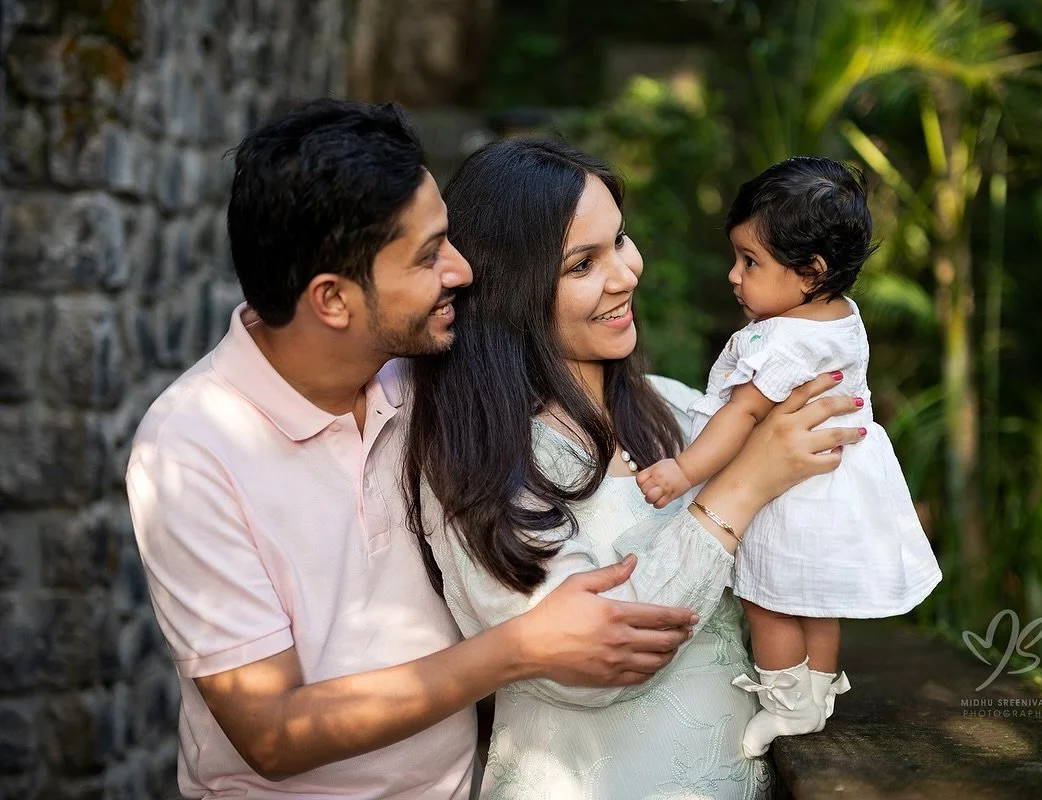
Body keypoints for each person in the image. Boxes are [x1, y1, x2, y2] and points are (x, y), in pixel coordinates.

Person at [124, 100, 862, 799]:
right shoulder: (193, 448)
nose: (463, 270)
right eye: (428, 256)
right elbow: (271, 731)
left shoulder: (428, 380)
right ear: (332, 300)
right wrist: (519, 647)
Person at [406, 139, 867, 799]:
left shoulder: (684, 414)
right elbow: (593, 658)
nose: (625, 274)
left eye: (620, 241)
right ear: (513, 288)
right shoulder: (483, 461)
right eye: (582, 263)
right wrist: (740, 490)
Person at [636, 156, 943, 756]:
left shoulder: (781, 340)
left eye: (750, 262)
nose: (733, 275)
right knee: (816, 598)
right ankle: (817, 692)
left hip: (792, 492)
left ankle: (785, 705)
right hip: (835, 483)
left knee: (768, 600)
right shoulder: (842, 319)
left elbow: (742, 415)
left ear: (811, 272)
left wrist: (684, 470)